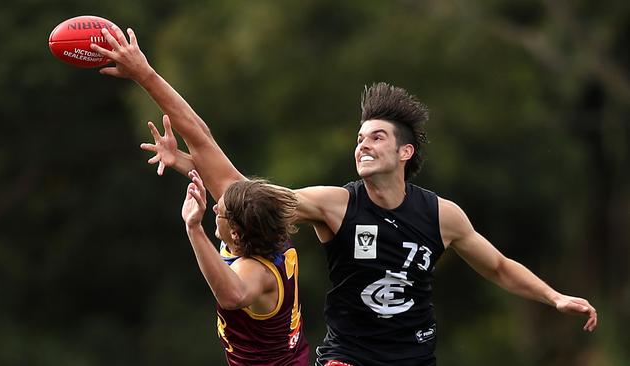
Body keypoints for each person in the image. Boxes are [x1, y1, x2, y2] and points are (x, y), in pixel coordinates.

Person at [91, 26, 598, 366]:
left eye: (377, 136)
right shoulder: (334, 204)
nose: (363, 142)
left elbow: (500, 267)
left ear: (406, 152)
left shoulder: (441, 215)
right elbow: (239, 189)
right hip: (347, 358)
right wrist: (147, 79)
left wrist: (553, 296)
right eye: (359, 136)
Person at [181, 169, 309, 365]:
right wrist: (178, 160)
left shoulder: (257, 271)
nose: (215, 209)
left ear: (235, 233)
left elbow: (232, 296)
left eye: (220, 212)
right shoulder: (264, 227)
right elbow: (221, 178)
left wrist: (194, 228)